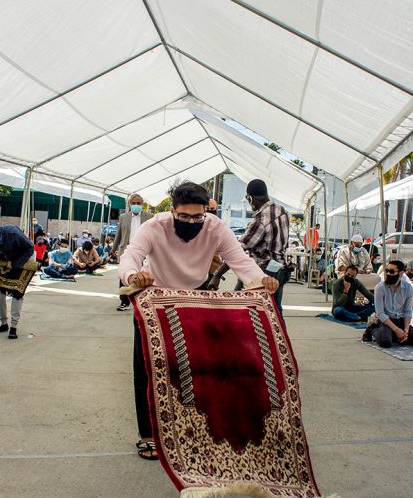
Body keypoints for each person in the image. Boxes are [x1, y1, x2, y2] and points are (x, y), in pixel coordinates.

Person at [118, 181, 279, 460]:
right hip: (154, 298)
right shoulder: (154, 227)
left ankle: (192, 425)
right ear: (172, 210)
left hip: (196, 298)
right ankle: (149, 434)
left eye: (197, 216)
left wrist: (260, 281)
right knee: (148, 367)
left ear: (206, 212)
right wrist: (134, 276)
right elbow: (130, 257)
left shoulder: (215, 227)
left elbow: (240, 261)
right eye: (184, 216)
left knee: (197, 365)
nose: (191, 222)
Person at [0, 221, 37, 339]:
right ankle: (4, 323)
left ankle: (14, 326)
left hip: (22, 260)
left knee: (17, 292)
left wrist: (14, 264)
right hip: (2, 261)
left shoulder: (12, 233)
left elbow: (30, 248)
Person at [238, 179, 291, 311]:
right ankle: (279, 332)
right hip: (281, 268)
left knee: (238, 303)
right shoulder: (282, 211)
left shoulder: (260, 220)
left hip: (262, 270)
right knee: (274, 310)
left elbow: (238, 249)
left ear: (250, 198)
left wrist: (217, 275)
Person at [371, 260, 413, 348]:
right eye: (387, 271)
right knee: (385, 342)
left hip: (400, 320)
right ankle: (373, 329)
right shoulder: (380, 288)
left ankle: (394, 335)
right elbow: (380, 313)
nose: (388, 274)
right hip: (385, 321)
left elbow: (408, 311)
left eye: (392, 272)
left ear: (401, 273)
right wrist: (396, 330)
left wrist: (406, 331)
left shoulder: (408, 288)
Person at [114, 194, 153, 311]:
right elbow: (119, 234)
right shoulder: (123, 217)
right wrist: (113, 248)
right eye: (134, 203)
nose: (136, 205)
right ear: (130, 204)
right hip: (126, 250)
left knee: (143, 276)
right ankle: (124, 302)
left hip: (143, 251)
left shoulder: (150, 216)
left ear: (142, 204)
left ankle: (142, 301)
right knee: (125, 275)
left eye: (139, 203)